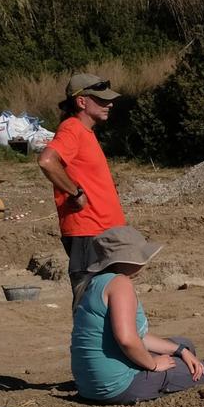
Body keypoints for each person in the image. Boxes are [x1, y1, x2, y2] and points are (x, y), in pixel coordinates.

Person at [69, 226, 204, 404]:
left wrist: (180, 350)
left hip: (89, 384)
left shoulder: (93, 282)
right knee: (201, 371)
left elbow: (138, 337)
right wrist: (153, 364)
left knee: (185, 345)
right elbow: (127, 340)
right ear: (126, 259)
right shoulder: (120, 284)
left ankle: (174, 358)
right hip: (116, 385)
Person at [36, 74, 127, 294]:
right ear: (82, 101)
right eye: (102, 100)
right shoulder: (72, 129)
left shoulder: (85, 132)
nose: (110, 104)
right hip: (88, 233)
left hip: (101, 232)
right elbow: (47, 161)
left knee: (105, 304)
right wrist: (76, 192)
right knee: (89, 304)